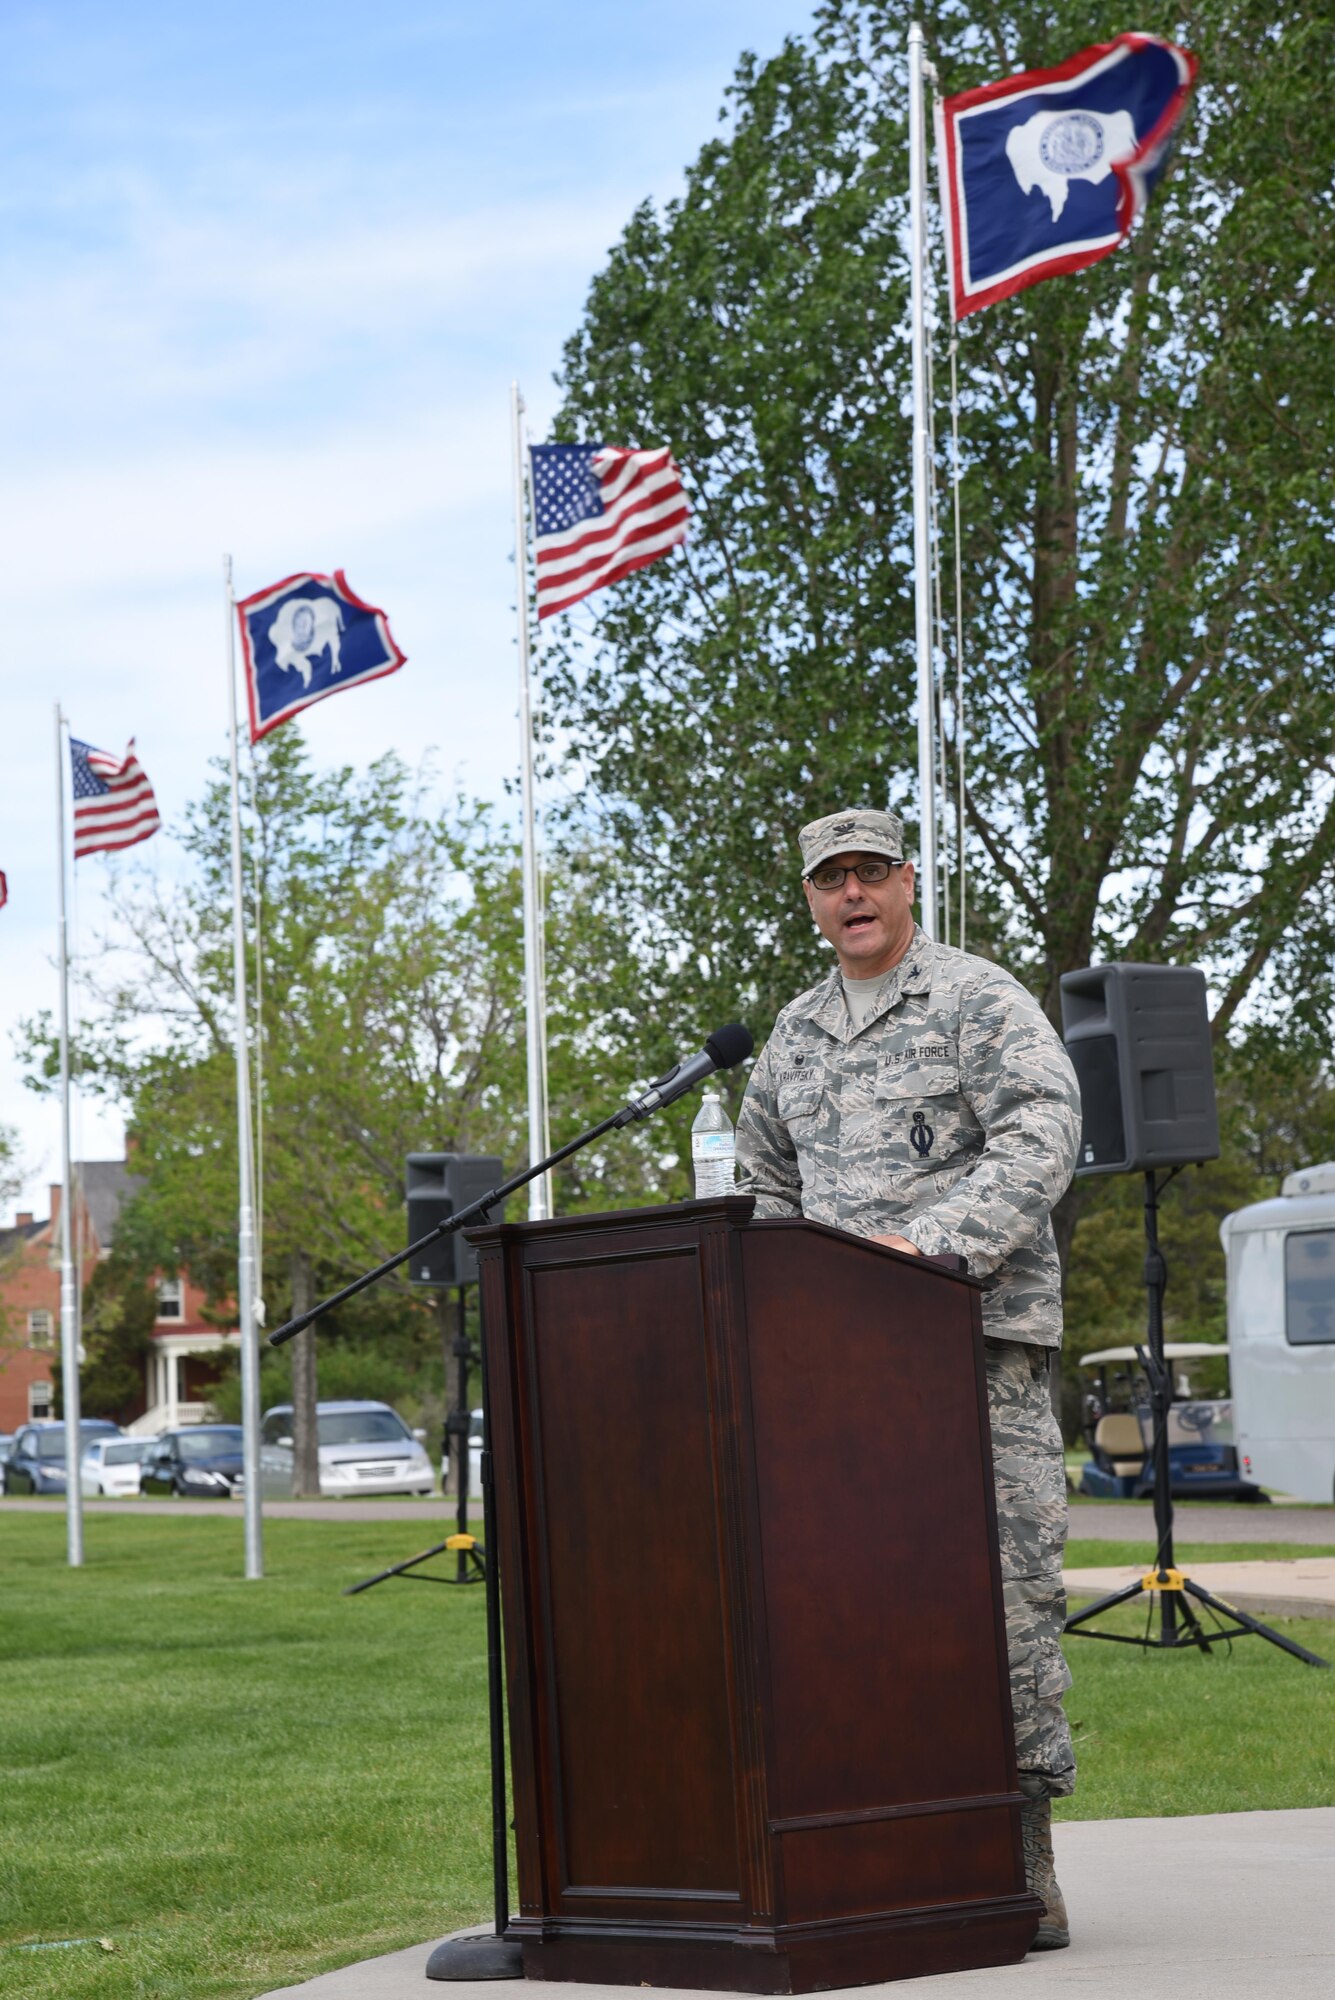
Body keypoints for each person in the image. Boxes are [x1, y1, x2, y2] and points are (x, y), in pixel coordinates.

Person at [734, 805, 1082, 1951]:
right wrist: (794, 1296)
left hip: (973, 1338)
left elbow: (1045, 1125)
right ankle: (884, 1845)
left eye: (870, 871)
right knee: (860, 1597)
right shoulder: (790, 1034)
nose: (852, 893)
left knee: (1006, 1588)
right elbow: (763, 1181)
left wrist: (935, 1247)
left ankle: (1022, 1848)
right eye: (831, 878)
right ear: (810, 897)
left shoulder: (977, 996)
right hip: (842, 1370)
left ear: (908, 879)